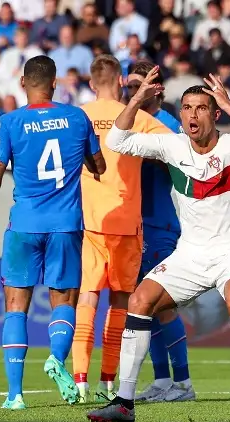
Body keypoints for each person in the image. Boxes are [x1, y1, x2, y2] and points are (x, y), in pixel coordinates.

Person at [87, 70, 230, 422]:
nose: (192, 115)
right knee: (140, 301)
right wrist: (137, 99)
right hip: (190, 253)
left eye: (201, 108)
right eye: (187, 108)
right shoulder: (171, 145)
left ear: (214, 113)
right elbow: (117, 140)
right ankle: (124, 403)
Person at [0, 55, 106, 410]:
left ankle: (14, 395)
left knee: (16, 308)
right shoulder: (78, 117)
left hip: (24, 225)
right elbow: (99, 165)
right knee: (64, 301)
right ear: (55, 83)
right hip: (66, 225)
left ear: (23, 83)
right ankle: (56, 360)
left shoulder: (10, 122)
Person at [71, 55, 170, 403]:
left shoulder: (76, 115)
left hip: (88, 221)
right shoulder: (138, 118)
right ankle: (107, 381)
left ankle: (79, 379)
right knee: (120, 302)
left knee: (86, 296)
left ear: (91, 81)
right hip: (127, 221)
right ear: (119, 80)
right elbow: (177, 146)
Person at [124, 60, 194, 403]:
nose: (131, 90)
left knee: (164, 305)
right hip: (135, 226)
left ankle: (183, 383)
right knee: (143, 305)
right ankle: (163, 380)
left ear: (158, 89)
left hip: (160, 223)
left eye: (139, 83)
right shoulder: (129, 123)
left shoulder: (167, 127)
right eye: (129, 84)